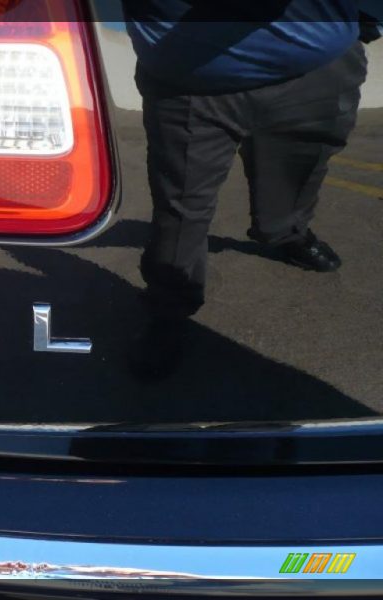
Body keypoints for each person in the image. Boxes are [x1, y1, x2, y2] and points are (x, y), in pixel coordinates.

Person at [122, 0, 375, 380]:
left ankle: (285, 233)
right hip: (190, 81)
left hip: (320, 71)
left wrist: (366, 22)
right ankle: (169, 308)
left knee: (301, 170)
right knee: (181, 207)